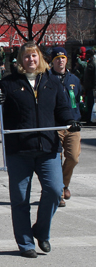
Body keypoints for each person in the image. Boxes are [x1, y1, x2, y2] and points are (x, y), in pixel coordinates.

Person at [0, 41, 80, 258]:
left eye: (34, 56)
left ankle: (41, 232)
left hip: (48, 148)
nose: (30, 60)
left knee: (54, 190)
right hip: (19, 150)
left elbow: (63, 109)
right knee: (20, 199)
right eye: (26, 57)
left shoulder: (52, 82)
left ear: (40, 58)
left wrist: (71, 120)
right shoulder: (8, 84)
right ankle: (25, 244)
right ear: (20, 60)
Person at [50, 47, 83, 207]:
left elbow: (77, 98)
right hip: (55, 125)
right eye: (57, 58)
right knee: (56, 160)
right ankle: (58, 193)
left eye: (63, 57)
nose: (60, 60)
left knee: (73, 157)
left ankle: (63, 184)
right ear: (52, 60)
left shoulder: (74, 79)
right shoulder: (47, 78)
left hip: (72, 125)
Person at [81, 49, 95, 123]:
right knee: (88, 104)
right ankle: (88, 118)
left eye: (87, 54)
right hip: (88, 88)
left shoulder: (93, 64)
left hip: (92, 89)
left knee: (91, 105)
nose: (86, 56)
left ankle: (91, 119)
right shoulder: (90, 63)